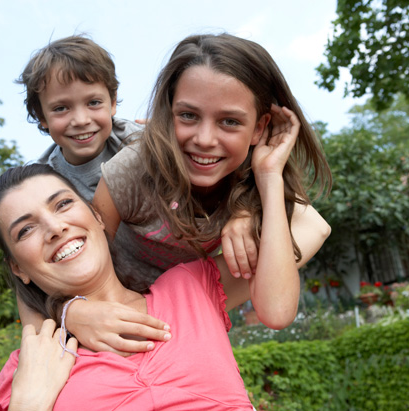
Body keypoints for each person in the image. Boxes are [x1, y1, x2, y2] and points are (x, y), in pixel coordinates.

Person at [19, 33, 332, 353]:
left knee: (310, 225)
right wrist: (71, 313)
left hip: (184, 298)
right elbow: (29, 270)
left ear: (259, 127)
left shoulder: (243, 169)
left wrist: (251, 203)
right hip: (118, 295)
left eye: (229, 121)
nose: (205, 139)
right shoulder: (103, 174)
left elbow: (281, 303)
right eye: (188, 115)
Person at [0, 134, 301, 408]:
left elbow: (311, 226)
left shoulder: (189, 288)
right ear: (17, 268)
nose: (55, 227)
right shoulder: (31, 365)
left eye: (63, 204)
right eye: (25, 230)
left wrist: (252, 199)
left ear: (97, 215)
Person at [17, 34, 142, 202]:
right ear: (42, 116)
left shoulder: (141, 140)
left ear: (112, 103)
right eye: (61, 108)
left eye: (93, 103)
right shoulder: (44, 181)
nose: (81, 120)